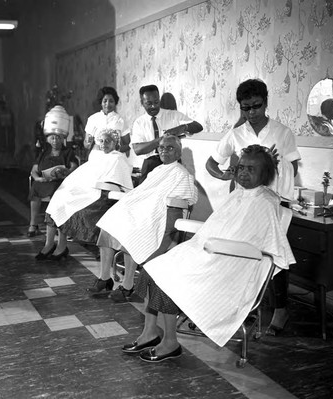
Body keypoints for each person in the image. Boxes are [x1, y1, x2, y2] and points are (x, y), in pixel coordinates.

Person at [125, 145, 295, 363]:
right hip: (213, 256)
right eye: (240, 167)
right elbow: (219, 229)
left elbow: (258, 249)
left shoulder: (263, 203)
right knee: (153, 268)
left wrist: (206, 252)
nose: (243, 172)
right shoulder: (239, 195)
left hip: (228, 268)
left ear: (265, 174)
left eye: (251, 169)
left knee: (167, 277)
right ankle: (150, 332)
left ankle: (170, 343)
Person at [205, 79, 301, 336]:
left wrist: (275, 166)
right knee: (242, 253)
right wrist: (225, 176)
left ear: (266, 102)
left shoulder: (282, 132)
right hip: (246, 204)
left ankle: (280, 310)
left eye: (256, 106)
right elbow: (212, 163)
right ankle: (244, 306)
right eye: (246, 108)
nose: (252, 113)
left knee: (273, 254)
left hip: (274, 202)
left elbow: (295, 168)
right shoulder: (236, 134)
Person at [91, 135, 198, 302]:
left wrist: (151, 207)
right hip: (144, 212)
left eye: (170, 148)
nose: (164, 151)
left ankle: (127, 286)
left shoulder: (182, 174)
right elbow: (143, 193)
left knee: (133, 232)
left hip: (162, 217)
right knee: (109, 225)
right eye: (161, 147)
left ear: (178, 153)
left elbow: (188, 199)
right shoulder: (157, 170)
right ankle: (104, 277)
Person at [39, 129, 133, 261]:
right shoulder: (98, 157)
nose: (104, 143)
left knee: (68, 206)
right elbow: (83, 175)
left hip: (102, 194)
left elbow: (116, 182)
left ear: (115, 143)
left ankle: (61, 247)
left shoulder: (118, 158)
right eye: (101, 141)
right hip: (88, 189)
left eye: (108, 141)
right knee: (58, 200)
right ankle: (50, 244)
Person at [131, 84, 203, 183]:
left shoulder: (173, 115)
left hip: (172, 162)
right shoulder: (139, 123)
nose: (154, 106)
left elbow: (198, 126)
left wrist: (181, 128)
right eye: (149, 103)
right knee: (144, 196)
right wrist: (161, 140)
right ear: (142, 103)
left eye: (156, 102)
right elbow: (137, 150)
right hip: (150, 163)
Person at [28, 108, 79, 237]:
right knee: (35, 188)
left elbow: (74, 167)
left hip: (60, 183)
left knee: (54, 189)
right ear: (48, 139)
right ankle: (33, 224)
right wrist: (38, 179)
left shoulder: (68, 152)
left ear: (62, 138)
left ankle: (56, 224)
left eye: (58, 138)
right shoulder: (44, 152)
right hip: (44, 181)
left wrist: (65, 171)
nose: (55, 141)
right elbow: (34, 170)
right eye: (52, 138)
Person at [83, 87, 131, 160]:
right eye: (105, 101)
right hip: (97, 157)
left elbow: (128, 144)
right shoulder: (92, 119)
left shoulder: (120, 120)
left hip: (114, 157)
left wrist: (116, 150)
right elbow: (86, 145)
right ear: (101, 102)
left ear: (115, 103)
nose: (107, 104)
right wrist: (88, 142)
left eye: (111, 101)